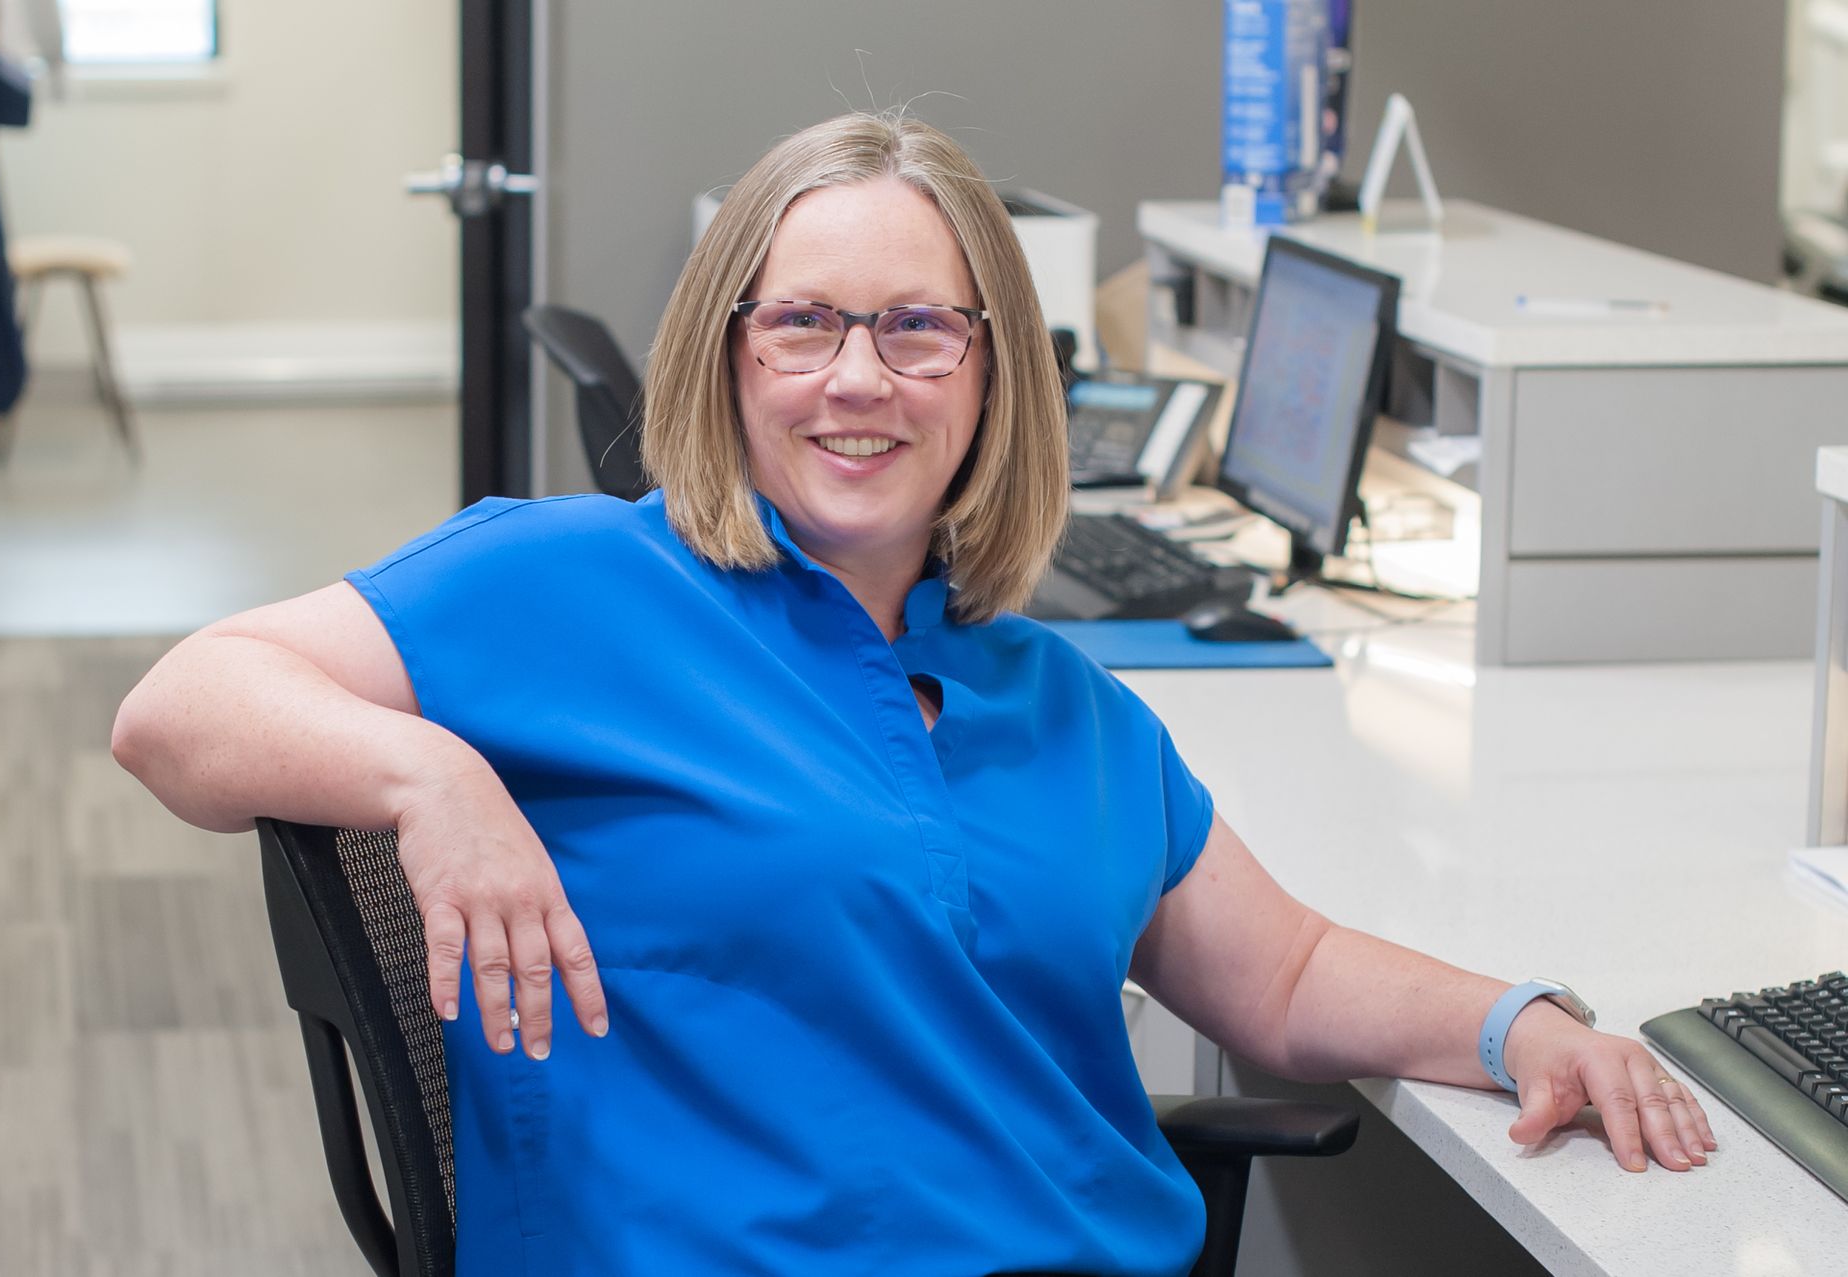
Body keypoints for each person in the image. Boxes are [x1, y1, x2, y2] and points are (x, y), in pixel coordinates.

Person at [112, 111, 1714, 1275]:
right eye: (801, 322)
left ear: (995, 376)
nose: (856, 377)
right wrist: (429, 781)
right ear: (727, 358)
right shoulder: (571, 582)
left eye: (916, 329)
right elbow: (183, 705)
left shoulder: (1053, 699)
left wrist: (1518, 1023)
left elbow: (1281, 973)